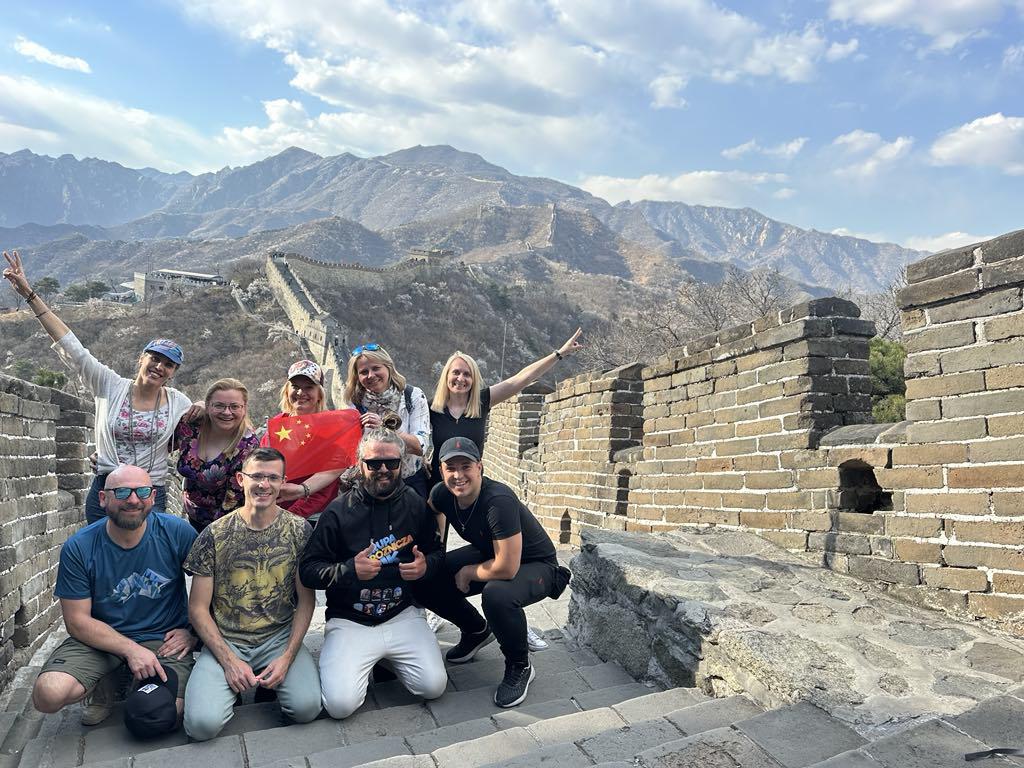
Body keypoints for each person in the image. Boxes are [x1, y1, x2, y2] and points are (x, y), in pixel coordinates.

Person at [3, 250, 198, 523]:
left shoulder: (180, 403)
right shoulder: (110, 385)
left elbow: (208, 426)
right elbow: (73, 348)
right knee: (100, 547)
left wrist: (204, 404)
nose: (159, 367)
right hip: (107, 488)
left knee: (146, 549)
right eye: (154, 359)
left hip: (149, 492)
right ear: (141, 359)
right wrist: (30, 295)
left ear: (173, 372)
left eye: (168, 364)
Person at [31, 465, 198, 735]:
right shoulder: (80, 547)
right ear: (102, 498)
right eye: (121, 492)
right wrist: (131, 650)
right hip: (101, 639)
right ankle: (107, 681)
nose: (133, 500)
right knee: (48, 694)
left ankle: (132, 681)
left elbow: (212, 588)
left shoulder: (177, 533)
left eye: (142, 492)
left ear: (153, 497)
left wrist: (193, 633)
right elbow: (76, 621)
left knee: (160, 716)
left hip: (162, 638)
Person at [299, 429, 447, 719]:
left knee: (433, 686)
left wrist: (426, 566)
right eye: (374, 463)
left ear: (402, 464)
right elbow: (309, 570)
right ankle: (367, 659)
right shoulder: (337, 512)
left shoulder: (415, 504)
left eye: (391, 462)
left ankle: (385, 659)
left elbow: (437, 553)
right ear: (359, 464)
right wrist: (349, 570)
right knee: (340, 706)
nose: (383, 469)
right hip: (351, 619)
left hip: (402, 614)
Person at [183, 447, 321, 741]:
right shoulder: (214, 534)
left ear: (283, 482)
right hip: (228, 639)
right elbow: (197, 608)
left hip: (278, 637)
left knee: (307, 708)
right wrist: (228, 662)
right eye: (256, 476)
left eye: (272, 478)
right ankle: (227, 688)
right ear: (240, 479)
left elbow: (306, 601)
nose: (264, 484)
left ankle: (273, 682)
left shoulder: (300, 531)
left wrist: (287, 656)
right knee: (201, 726)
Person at [425, 437, 569, 708]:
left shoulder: (497, 501)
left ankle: (519, 665)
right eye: (450, 467)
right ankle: (476, 631)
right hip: (490, 553)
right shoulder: (442, 494)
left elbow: (506, 567)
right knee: (428, 576)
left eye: (466, 466)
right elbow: (432, 512)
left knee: (497, 595)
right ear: (441, 470)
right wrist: (435, 549)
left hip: (536, 564)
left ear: (479, 467)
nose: (458, 475)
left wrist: (468, 572)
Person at [428, 329, 583, 479]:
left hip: (471, 488)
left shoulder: (482, 401)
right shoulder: (431, 408)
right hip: (436, 486)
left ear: (473, 380)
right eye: (456, 372)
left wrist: (559, 354)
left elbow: (522, 378)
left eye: (467, 374)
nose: (461, 378)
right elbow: (415, 437)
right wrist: (420, 459)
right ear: (446, 376)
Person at [265, 360, 347, 525]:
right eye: (295, 386)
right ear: (287, 390)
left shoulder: (332, 429)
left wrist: (291, 516)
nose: (300, 392)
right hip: (273, 514)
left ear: (320, 393)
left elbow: (326, 487)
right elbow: (263, 469)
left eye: (309, 387)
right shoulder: (277, 425)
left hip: (314, 519)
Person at [344, 343, 431, 497]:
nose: (371, 375)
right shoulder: (354, 403)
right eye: (364, 372)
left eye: (376, 368)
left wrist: (384, 428)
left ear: (388, 367)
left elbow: (420, 446)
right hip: (370, 484)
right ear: (357, 376)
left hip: (408, 482)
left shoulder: (412, 396)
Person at [175, 378, 259, 533]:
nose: (227, 412)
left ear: (244, 408)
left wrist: (211, 535)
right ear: (208, 406)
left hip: (223, 526)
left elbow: (233, 500)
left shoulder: (247, 445)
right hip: (189, 516)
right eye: (219, 405)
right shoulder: (191, 426)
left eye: (234, 406)